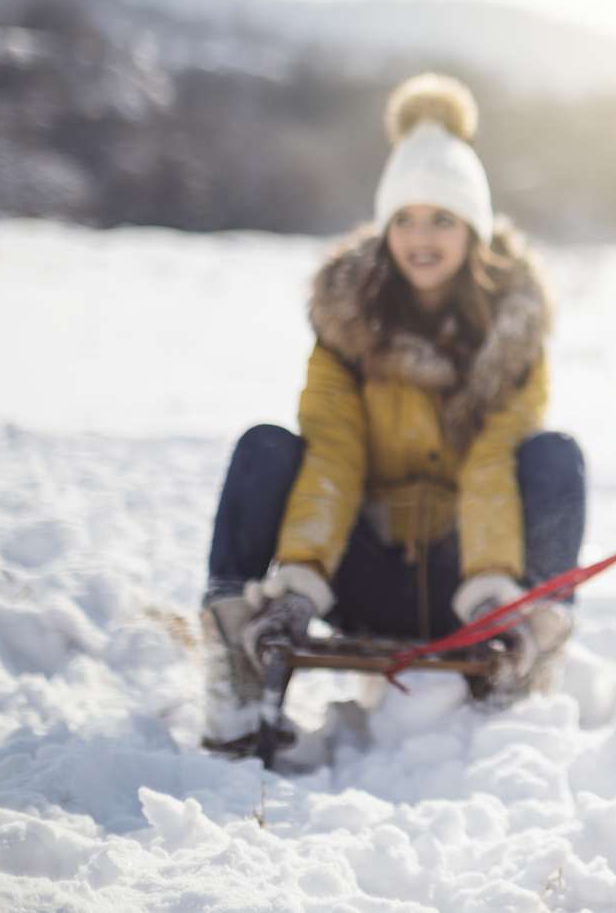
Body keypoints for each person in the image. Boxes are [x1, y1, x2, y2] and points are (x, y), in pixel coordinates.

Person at [198, 73, 586, 750]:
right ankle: (240, 658)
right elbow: (334, 452)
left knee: (554, 458)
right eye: (404, 219)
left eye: (442, 218)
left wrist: (494, 594)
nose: (421, 237)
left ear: (473, 228)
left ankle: (526, 657)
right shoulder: (346, 325)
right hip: (360, 568)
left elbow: (492, 463)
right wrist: (299, 584)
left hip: (463, 584)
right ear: (383, 230)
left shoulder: (512, 338)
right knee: (267, 448)